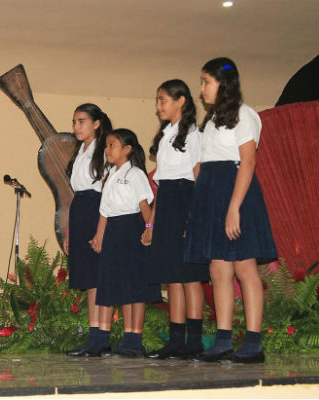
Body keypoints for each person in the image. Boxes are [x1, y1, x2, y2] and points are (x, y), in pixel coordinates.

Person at [184, 58, 277, 363]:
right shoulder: (210, 121)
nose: (201, 89)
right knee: (217, 269)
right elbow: (205, 165)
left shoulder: (244, 115)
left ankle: (253, 342)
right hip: (212, 194)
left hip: (236, 193)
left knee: (244, 267)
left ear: (222, 84)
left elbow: (247, 162)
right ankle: (223, 340)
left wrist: (234, 207)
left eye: (205, 82)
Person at [142, 80, 209, 360]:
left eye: (163, 100)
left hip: (186, 199)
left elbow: (198, 176)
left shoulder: (193, 134)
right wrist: (150, 224)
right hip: (168, 200)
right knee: (172, 277)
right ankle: (176, 340)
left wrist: (192, 218)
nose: (158, 107)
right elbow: (161, 185)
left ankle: (194, 341)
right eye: (157, 101)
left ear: (181, 101)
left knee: (190, 276)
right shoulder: (167, 134)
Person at [90, 128, 162, 357]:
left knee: (135, 286)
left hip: (131, 229)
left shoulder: (136, 174)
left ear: (127, 149)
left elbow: (145, 207)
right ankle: (126, 339)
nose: (107, 149)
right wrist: (100, 235)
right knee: (119, 285)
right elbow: (105, 210)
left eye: (112, 145)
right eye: (107, 145)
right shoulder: (111, 172)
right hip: (113, 231)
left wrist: (149, 228)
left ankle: (134, 339)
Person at [63, 104, 112, 357]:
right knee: (89, 279)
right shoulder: (80, 151)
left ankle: (102, 336)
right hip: (81, 209)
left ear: (96, 123)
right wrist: (71, 233)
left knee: (99, 278)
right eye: (74, 122)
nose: (76, 127)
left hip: (97, 210)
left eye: (81, 121)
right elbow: (75, 193)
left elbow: (107, 192)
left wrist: (101, 231)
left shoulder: (103, 151)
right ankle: (94, 335)